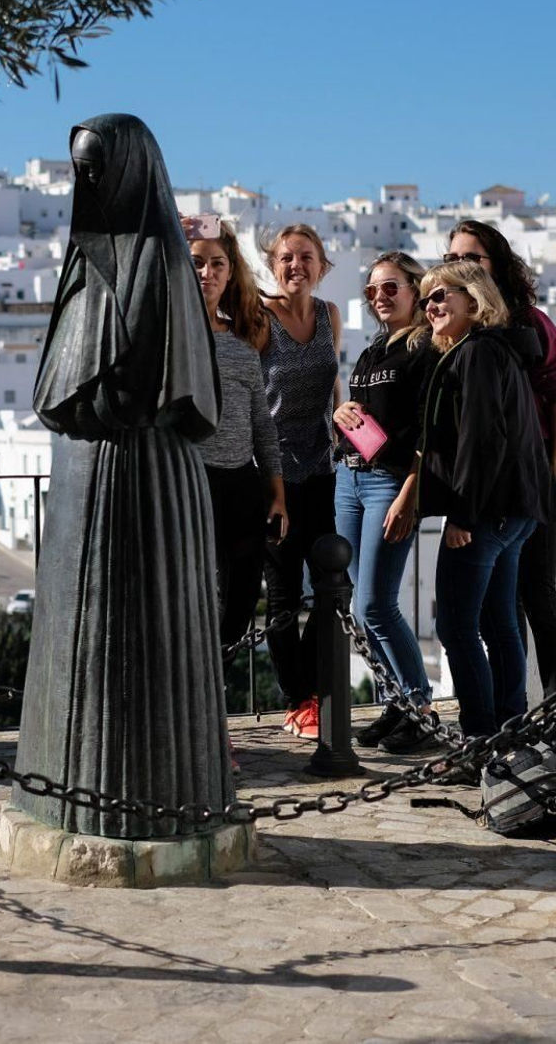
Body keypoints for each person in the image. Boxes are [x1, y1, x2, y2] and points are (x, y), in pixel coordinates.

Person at [15, 114, 231, 839]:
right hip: (88, 476)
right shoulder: (88, 257)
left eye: (99, 168)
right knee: (78, 650)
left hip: (142, 480)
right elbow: (59, 382)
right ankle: (64, 791)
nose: (90, 183)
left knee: (142, 652)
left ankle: (149, 804)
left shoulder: (160, 263)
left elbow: (124, 389)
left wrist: (88, 402)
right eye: (81, 170)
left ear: (133, 169)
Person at [415, 261, 556, 741]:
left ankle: (480, 736)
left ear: (475, 299)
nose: (432, 306)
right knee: (501, 622)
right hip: (516, 510)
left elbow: (482, 440)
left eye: (443, 295)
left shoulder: (478, 354)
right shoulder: (497, 350)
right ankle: (511, 729)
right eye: (427, 299)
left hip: (486, 511)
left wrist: (463, 514)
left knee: (458, 628)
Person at [445, 220, 556, 702]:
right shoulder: (458, 324)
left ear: (495, 264)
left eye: (471, 258)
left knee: (536, 592)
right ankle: (513, 704)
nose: (459, 267)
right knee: (501, 607)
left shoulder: (528, 322)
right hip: (489, 481)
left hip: (531, 473)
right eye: (451, 258)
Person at [329, 252, 440, 752]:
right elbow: (370, 414)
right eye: (373, 290)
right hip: (349, 481)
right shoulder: (375, 349)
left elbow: (427, 432)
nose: (380, 297)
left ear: (415, 290)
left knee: (376, 602)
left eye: (391, 287)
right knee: (361, 599)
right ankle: (394, 702)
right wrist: (346, 410)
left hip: (388, 486)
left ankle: (419, 705)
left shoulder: (424, 350)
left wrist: (409, 496)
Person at [186, 218, 287, 648]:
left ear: (230, 273)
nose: (207, 273)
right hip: (189, 480)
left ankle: (211, 693)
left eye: (217, 264)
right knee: (187, 595)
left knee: (242, 599)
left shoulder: (242, 344)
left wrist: (276, 492)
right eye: (196, 263)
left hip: (241, 483)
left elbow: (262, 423)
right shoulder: (167, 336)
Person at [258, 223, 341, 740]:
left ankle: (317, 691)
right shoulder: (261, 317)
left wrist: (344, 422)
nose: (296, 266)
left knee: (333, 590)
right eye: (287, 258)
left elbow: (333, 381)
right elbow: (253, 402)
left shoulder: (330, 315)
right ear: (273, 266)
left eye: (306, 257)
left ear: (322, 264)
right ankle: (298, 700)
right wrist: (274, 491)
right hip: (273, 474)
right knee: (284, 594)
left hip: (323, 470)